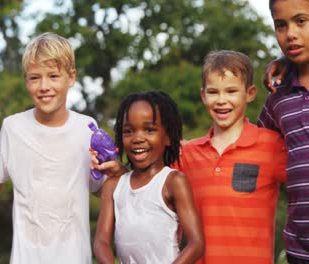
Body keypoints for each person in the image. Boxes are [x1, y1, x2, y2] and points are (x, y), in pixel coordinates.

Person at [93, 50, 288, 264]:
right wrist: (119, 171)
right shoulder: (186, 154)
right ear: (203, 95)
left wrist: (290, 64)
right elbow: (146, 184)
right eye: (213, 92)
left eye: (231, 91)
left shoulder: (271, 145)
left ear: (249, 93)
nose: (222, 100)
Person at [0, 32, 103, 263]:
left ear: (71, 77)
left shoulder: (88, 128)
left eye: (53, 76)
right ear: (26, 80)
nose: (44, 86)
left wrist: (114, 170)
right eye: (35, 78)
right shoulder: (12, 128)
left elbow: (100, 188)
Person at [93, 90, 204, 263]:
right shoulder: (113, 186)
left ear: (167, 137)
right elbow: (101, 242)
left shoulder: (173, 182)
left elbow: (196, 243)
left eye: (149, 130)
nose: (138, 138)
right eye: (128, 131)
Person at [258, 1, 309, 262]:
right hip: (299, 250)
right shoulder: (278, 98)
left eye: (301, 21)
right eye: (281, 25)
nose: (290, 34)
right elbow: (251, 148)